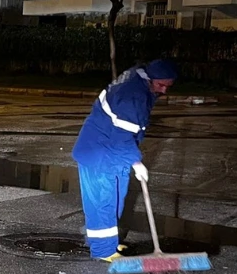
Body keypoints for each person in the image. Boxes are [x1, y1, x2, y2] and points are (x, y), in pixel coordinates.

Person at [71, 59, 178, 261]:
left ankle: (108, 241)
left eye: (167, 86)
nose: (163, 90)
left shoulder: (141, 82)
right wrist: (136, 162)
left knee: (116, 199)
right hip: (99, 152)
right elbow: (122, 135)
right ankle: (103, 251)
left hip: (114, 151)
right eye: (161, 85)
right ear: (151, 79)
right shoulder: (132, 95)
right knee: (103, 201)